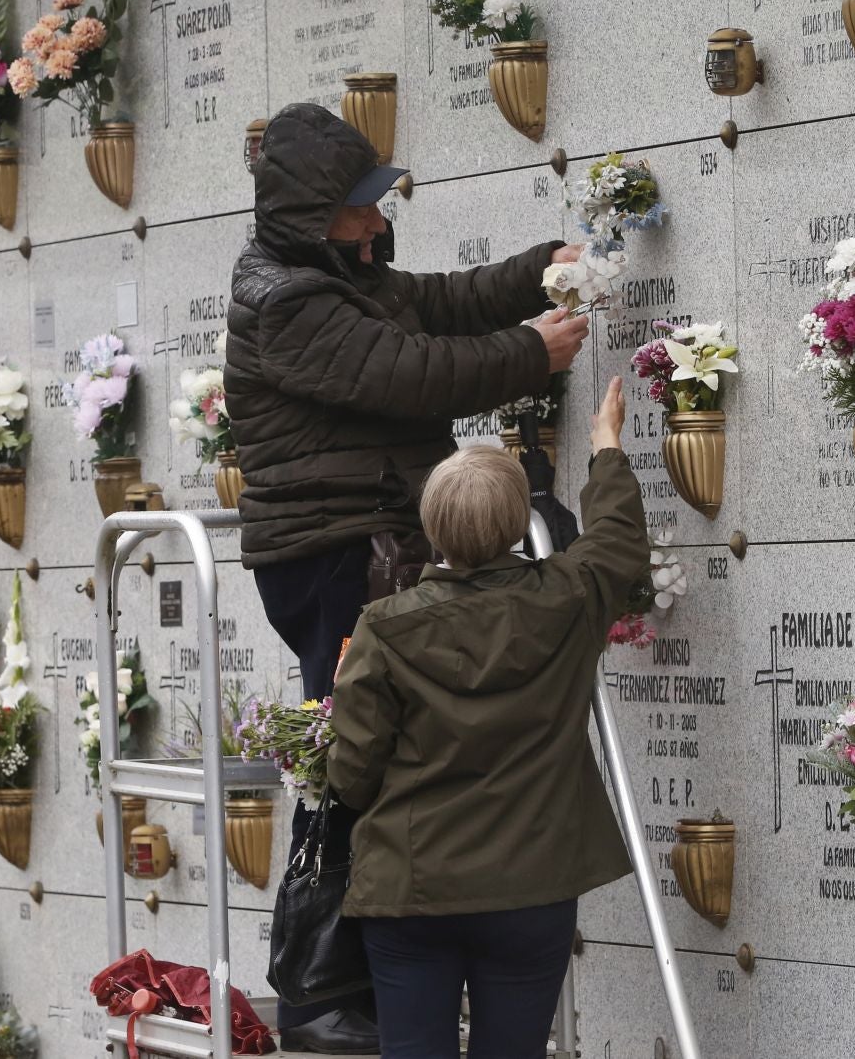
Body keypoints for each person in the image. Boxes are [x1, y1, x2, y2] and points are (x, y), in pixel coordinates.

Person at [225, 102, 590, 1053]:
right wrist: (529, 354)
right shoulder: (287, 299)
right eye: (362, 210)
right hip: (335, 555)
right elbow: (407, 372)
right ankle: (325, 987)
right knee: (355, 758)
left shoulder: (341, 271)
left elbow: (440, 303)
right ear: (316, 215)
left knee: (374, 751)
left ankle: (363, 978)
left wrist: (537, 269)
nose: (380, 223)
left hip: (371, 538)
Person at [328, 379, 648, 1059]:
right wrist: (607, 447)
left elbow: (352, 772)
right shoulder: (568, 597)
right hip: (530, 887)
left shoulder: (384, 628)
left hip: (411, 887)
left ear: (432, 526)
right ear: (514, 525)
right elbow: (616, 541)